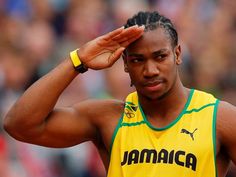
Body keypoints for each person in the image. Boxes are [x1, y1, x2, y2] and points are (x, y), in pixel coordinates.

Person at [3, 11, 236, 177]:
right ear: (124, 64)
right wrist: (78, 60)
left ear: (177, 54)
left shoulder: (219, 118)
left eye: (160, 56)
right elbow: (19, 125)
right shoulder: (109, 117)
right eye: (137, 60)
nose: (150, 70)